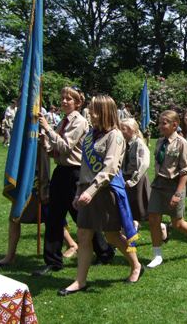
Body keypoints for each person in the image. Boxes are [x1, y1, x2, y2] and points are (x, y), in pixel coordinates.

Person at [58, 95, 143, 296]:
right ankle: (80, 281)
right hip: (88, 190)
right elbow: (85, 168)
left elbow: (110, 168)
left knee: (112, 236)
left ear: (105, 112)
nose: (90, 113)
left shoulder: (115, 136)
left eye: (94, 110)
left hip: (106, 192)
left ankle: (136, 265)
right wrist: (79, 191)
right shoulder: (90, 136)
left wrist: (90, 191)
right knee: (84, 234)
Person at [33, 86, 115, 277]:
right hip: (61, 171)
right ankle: (53, 261)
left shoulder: (78, 122)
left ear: (78, 102)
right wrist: (45, 140)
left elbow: (66, 146)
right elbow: (54, 148)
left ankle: (104, 251)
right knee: (54, 217)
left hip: (75, 173)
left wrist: (47, 128)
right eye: (62, 98)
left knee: (82, 217)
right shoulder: (63, 121)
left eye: (68, 99)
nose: (64, 101)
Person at [147, 110, 187, 268]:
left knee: (178, 223)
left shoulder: (181, 143)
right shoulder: (159, 141)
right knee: (153, 219)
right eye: (160, 122)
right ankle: (157, 255)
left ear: (175, 125)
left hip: (174, 186)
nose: (160, 126)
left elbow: (185, 170)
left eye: (164, 123)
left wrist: (178, 194)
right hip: (159, 184)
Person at [120, 118, 151, 230]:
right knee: (131, 209)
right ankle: (131, 232)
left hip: (137, 180)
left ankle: (162, 229)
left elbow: (144, 164)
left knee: (140, 209)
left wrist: (133, 181)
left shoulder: (139, 144)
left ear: (131, 130)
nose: (120, 131)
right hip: (126, 178)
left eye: (122, 129)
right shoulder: (124, 143)